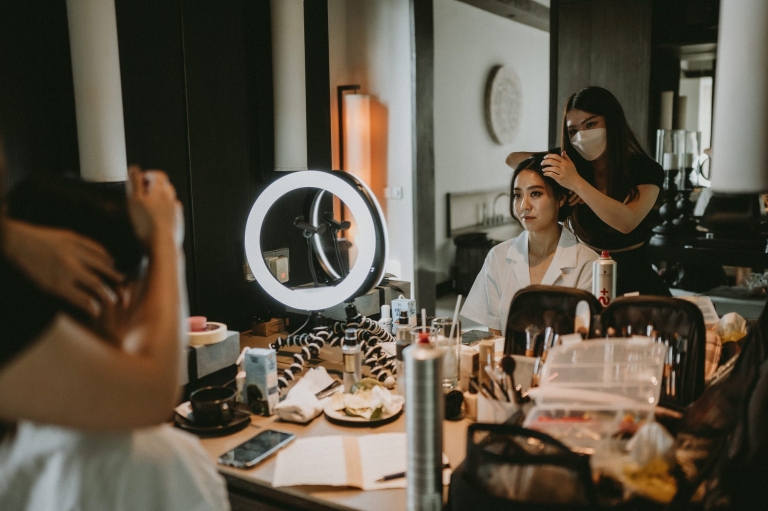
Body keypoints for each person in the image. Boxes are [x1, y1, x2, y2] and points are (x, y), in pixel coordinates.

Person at [0, 133, 228, 510]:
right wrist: (166, 239)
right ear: (111, 293)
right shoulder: (155, 459)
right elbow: (153, 392)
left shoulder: (18, 452)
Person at [507, 86, 669, 296]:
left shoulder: (645, 169)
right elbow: (512, 159)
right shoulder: (571, 162)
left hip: (633, 274)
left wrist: (578, 185)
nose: (581, 136)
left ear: (611, 122)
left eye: (590, 124)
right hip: (584, 271)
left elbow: (626, 222)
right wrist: (560, 177)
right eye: (573, 131)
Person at [461, 155, 598, 336]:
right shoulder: (498, 256)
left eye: (535, 193)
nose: (524, 206)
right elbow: (495, 335)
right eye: (518, 195)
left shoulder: (588, 263)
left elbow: (588, 338)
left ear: (561, 198)